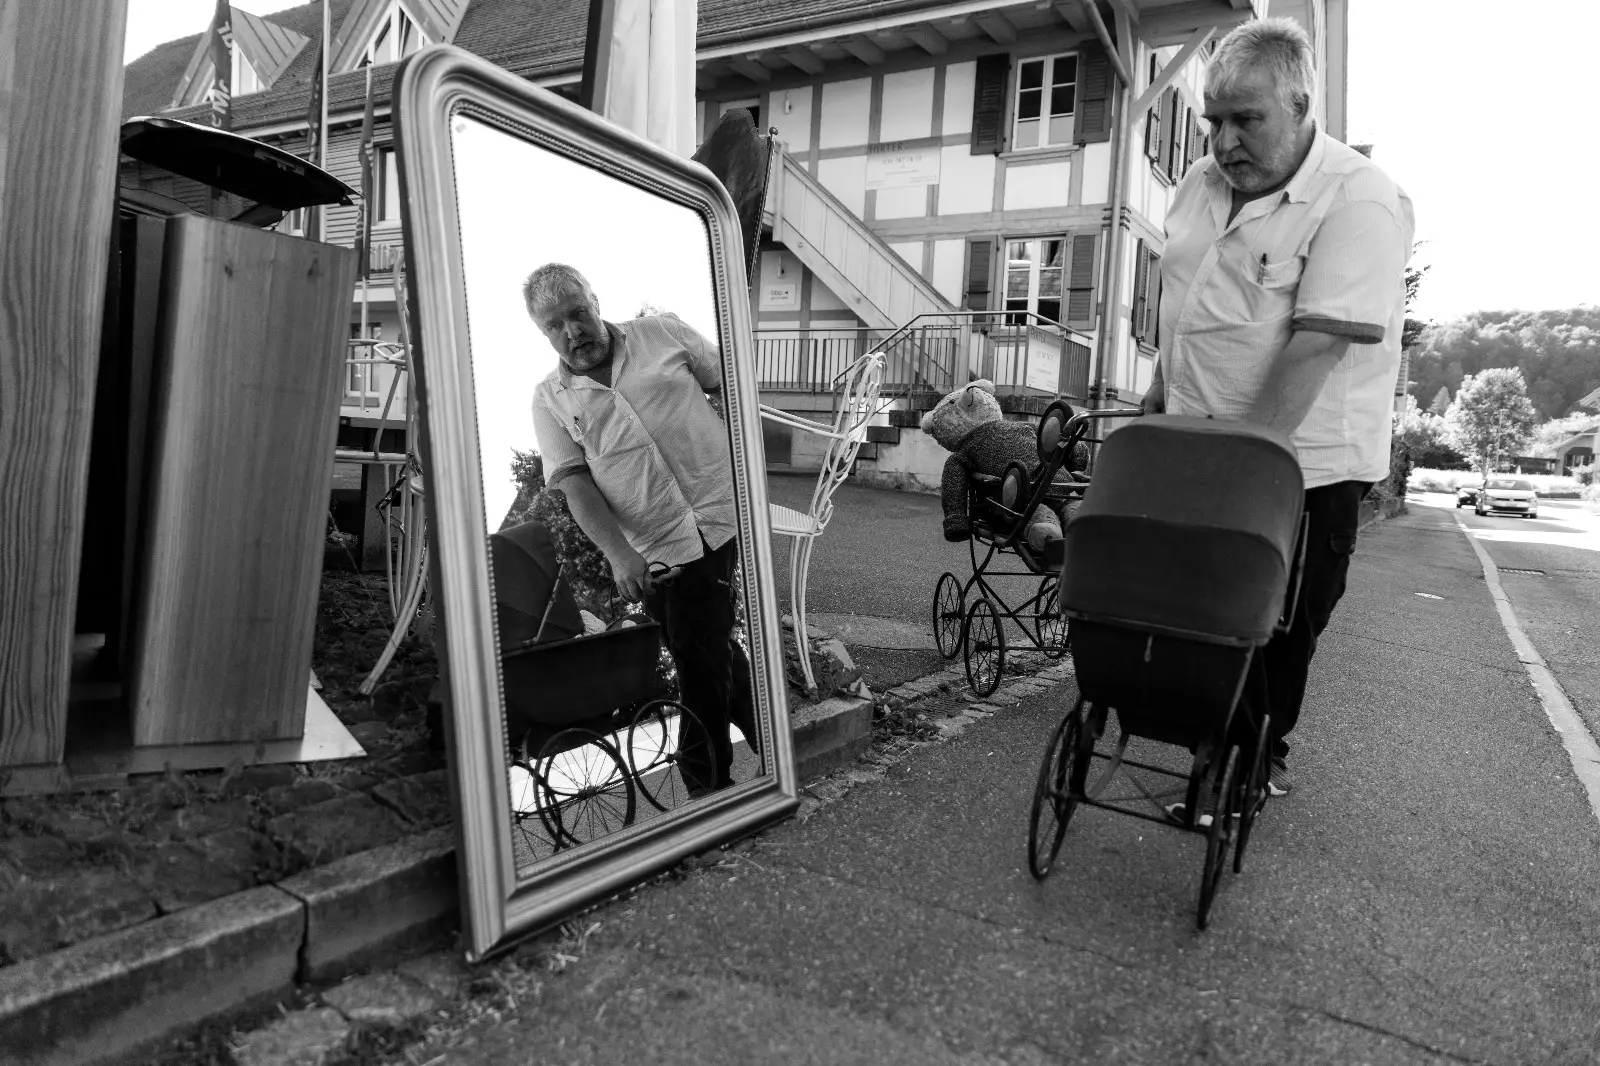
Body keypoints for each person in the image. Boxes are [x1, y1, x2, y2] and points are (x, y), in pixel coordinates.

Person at [1141, 18, 1415, 796]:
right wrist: (1159, 394)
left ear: (1299, 105)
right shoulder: (1199, 185)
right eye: (1213, 120)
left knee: (1279, 624)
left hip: (1307, 465)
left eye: (1245, 120)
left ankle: (1257, 758)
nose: (1223, 141)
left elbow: (1316, 345)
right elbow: (1188, 303)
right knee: (1197, 606)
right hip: (1199, 442)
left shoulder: (1361, 201)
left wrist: (1241, 467)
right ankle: (1221, 740)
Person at [525, 263, 758, 796]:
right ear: (543, 332)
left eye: (578, 313)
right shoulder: (550, 400)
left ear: (595, 300)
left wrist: (741, 458)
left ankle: (706, 785)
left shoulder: (665, 334)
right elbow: (573, 484)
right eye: (555, 325)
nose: (573, 331)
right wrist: (617, 553)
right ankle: (770, 736)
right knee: (705, 643)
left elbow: (731, 385)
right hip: (651, 548)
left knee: (697, 654)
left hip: (719, 514)